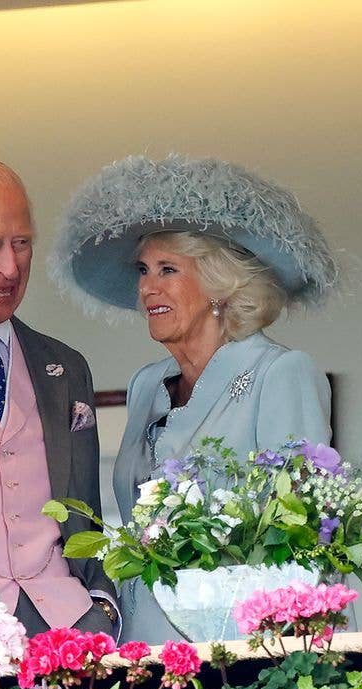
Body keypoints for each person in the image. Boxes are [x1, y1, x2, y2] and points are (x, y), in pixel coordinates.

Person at [49, 154, 338, 642]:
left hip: (237, 646)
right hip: (141, 642)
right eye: (143, 270)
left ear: (218, 285)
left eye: (168, 270)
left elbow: (304, 538)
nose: (147, 287)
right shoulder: (146, 385)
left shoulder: (279, 373)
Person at [0, 156, 119, 637]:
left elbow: (85, 510)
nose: (9, 268)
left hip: (69, 625)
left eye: (22, 244)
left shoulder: (66, 367)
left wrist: (104, 607)